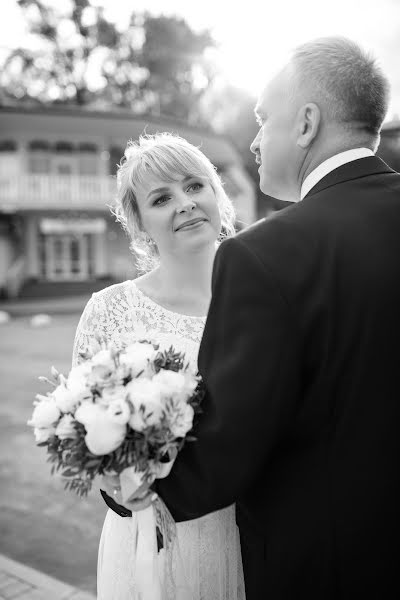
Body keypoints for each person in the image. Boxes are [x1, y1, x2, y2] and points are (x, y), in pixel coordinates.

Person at [137, 37, 400, 599]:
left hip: (330, 569)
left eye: (263, 119)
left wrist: (130, 473)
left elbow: (229, 444)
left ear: (306, 123)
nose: (255, 141)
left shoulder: (265, 255)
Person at [72, 133, 245, 599]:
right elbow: (84, 433)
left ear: (216, 194)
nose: (185, 204)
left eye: (195, 186)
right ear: (139, 222)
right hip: (147, 536)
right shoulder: (110, 310)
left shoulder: (261, 298)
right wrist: (120, 482)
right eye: (162, 198)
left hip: (249, 529)